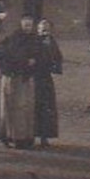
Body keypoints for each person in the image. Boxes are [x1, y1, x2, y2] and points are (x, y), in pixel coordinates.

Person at [0, 16, 39, 150]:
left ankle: (25, 138)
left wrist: (33, 62)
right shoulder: (13, 40)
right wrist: (25, 61)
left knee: (25, 108)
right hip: (12, 77)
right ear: (21, 25)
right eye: (25, 25)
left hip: (26, 78)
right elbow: (7, 56)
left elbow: (39, 55)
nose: (28, 28)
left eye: (30, 25)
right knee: (11, 108)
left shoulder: (34, 39)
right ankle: (11, 136)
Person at [32, 20, 64, 149]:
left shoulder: (51, 41)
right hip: (33, 77)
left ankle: (44, 137)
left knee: (46, 107)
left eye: (47, 28)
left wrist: (55, 66)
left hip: (45, 78)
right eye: (42, 28)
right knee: (32, 105)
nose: (44, 30)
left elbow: (58, 57)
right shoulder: (33, 41)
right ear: (38, 29)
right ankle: (30, 136)